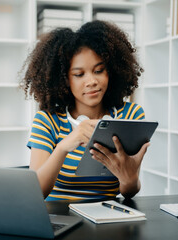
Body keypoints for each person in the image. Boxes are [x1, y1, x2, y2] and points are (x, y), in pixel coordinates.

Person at [20, 20, 150, 201]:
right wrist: (63, 147)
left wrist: (129, 178)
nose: (91, 81)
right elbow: (33, 192)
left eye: (99, 70)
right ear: (64, 79)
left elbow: (129, 191)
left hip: (107, 218)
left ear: (111, 71)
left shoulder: (130, 116)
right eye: (79, 74)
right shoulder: (47, 120)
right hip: (60, 219)